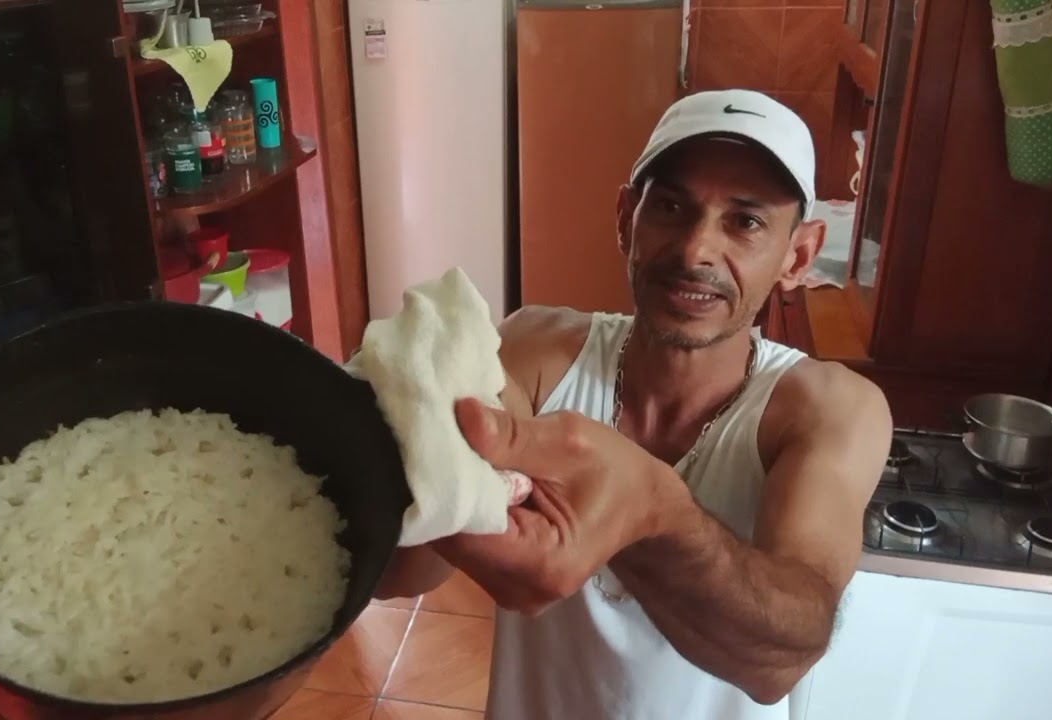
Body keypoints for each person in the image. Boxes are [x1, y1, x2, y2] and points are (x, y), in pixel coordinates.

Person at [375, 89, 892, 719]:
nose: (697, 249)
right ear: (626, 218)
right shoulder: (537, 353)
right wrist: (404, 429)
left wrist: (655, 513)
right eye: (672, 207)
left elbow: (778, 659)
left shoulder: (827, 409)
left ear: (799, 254)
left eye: (746, 222)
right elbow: (407, 571)